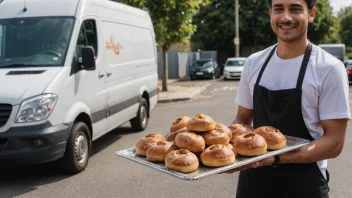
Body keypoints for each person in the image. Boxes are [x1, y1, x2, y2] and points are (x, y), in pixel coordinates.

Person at [225, 0, 351, 197]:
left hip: (304, 184)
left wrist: (275, 158)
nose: (285, 17)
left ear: (311, 14)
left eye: (295, 9)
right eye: (278, 9)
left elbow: (334, 142)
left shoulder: (329, 68)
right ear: (270, 15)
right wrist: (227, 146)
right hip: (253, 183)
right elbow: (242, 119)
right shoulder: (253, 63)